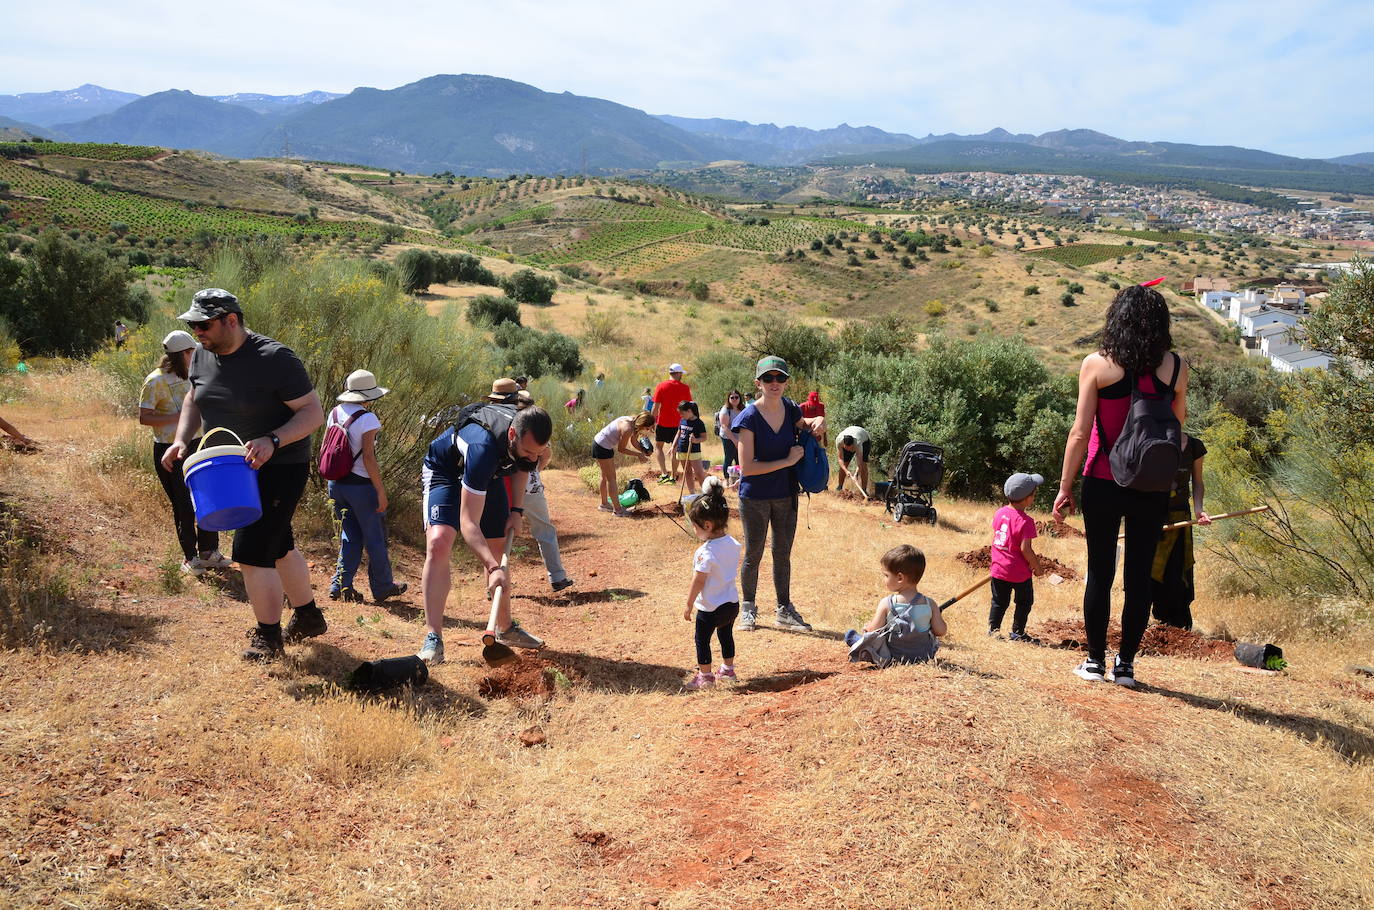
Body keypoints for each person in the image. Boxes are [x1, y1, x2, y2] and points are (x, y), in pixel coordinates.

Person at [161, 288, 326, 661]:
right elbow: (193, 398)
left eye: (203, 325)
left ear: (231, 320)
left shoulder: (275, 358)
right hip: (230, 469)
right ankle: (308, 616)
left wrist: (273, 439)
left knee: (251, 552)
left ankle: (268, 638)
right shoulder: (202, 355)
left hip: (279, 465)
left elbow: (312, 413)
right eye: (193, 325)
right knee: (278, 545)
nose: (197, 332)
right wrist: (181, 440)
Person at [1052, 283, 1187, 688]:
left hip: (1103, 480)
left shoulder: (1097, 364)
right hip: (1151, 485)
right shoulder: (1176, 367)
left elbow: (1080, 433)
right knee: (1139, 576)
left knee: (1100, 572)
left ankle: (1094, 662)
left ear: (1117, 319)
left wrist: (1064, 486)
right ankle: (1125, 666)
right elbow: (1178, 431)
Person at [417, 396, 553, 665]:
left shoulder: (527, 436)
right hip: (446, 471)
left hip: (490, 475)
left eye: (539, 453)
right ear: (512, 435)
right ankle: (433, 639)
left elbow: (523, 466)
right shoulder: (482, 449)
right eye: (529, 451)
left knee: (498, 544)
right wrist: (492, 568)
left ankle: (505, 628)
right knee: (439, 542)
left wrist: (516, 510)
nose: (534, 458)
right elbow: (468, 522)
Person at [732, 355, 825, 632]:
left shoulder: (791, 408)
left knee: (782, 554)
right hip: (755, 497)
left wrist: (818, 419)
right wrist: (787, 461)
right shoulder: (748, 418)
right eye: (768, 378)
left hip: (786, 493)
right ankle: (747, 609)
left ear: (786, 382)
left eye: (780, 378)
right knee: (754, 554)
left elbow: (808, 424)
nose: (774, 383)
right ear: (757, 383)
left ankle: (784, 609)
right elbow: (747, 468)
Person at [139, 330, 228, 576]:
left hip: (200, 444)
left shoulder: (195, 375)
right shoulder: (155, 381)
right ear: (181, 354)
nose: (195, 355)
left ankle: (209, 552)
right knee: (183, 504)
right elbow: (144, 417)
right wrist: (179, 417)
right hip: (171, 450)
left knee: (207, 498)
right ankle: (190, 557)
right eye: (191, 352)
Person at [325, 370, 407, 604]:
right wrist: (380, 490)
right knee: (375, 538)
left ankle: (340, 585)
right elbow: (368, 457)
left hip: (336, 484)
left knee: (350, 536)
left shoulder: (334, 412)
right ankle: (382, 587)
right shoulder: (367, 418)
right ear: (368, 395)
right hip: (361, 486)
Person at [682, 477, 742, 689]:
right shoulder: (734, 543)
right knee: (726, 636)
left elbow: (698, 580)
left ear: (707, 525)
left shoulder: (705, 552)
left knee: (702, 640)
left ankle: (705, 677)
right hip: (731, 603)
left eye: (696, 527)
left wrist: (689, 603)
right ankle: (728, 670)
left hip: (710, 608)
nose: (695, 531)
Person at [845, 544, 946, 666]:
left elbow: (874, 629)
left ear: (900, 578)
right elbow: (941, 631)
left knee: (871, 640)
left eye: (886, 575)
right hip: (923, 657)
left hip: (893, 657)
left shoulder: (887, 603)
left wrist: (868, 628)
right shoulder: (930, 604)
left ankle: (858, 641)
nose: (884, 579)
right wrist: (933, 618)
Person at [514, 391, 574, 592]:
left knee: (499, 537)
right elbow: (546, 455)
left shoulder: (510, 427)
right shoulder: (537, 428)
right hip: (532, 490)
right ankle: (557, 577)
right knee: (545, 532)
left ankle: (494, 585)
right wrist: (535, 471)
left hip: (507, 489)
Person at [1150, 433, 1211, 629]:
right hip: (1152, 520)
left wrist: (1199, 509)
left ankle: (1178, 625)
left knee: (1177, 571)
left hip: (1181, 519)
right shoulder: (1151, 441)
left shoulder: (1194, 446)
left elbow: (1198, 481)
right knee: (1150, 572)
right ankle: (1151, 624)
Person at [989, 472, 1043, 641]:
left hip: (998, 569)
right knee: (1024, 602)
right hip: (1019, 573)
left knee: (999, 602)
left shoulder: (999, 513)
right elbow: (1025, 549)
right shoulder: (1026, 521)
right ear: (1028, 498)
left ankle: (993, 630)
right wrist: (1037, 567)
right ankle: (1017, 632)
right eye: (1034, 494)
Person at [592, 412, 654, 515]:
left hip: (601, 444)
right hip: (602, 447)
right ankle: (618, 510)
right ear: (643, 424)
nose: (647, 431)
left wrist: (644, 451)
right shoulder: (628, 428)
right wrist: (638, 455)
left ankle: (604, 504)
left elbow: (634, 442)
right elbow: (621, 449)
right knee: (611, 479)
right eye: (647, 428)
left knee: (605, 476)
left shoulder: (632, 422)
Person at [651, 363, 692, 483]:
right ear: (678, 374)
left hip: (663, 422)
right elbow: (689, 407)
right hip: (679, 424)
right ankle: (673, 476)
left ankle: (664, 473)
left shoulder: (661, 386)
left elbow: (655, 406)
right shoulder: (685, 388)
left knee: (659, 447)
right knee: (675, 449)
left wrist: (652, 421)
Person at [675, 400, 707, 496]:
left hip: (694, 451)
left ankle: (706, 493)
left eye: (682, 413)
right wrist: (673, 446)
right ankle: (692, 493)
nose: (681, 415)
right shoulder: (682, 420)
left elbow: (704, 437)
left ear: (689, 411)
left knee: (699, 473)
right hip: (682, 450)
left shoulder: (699, 423)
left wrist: (695, 440)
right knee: (687, 472)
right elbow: (678, 433)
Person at [835, 426, 871, 497]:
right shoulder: (839, 441)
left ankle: (864, 490)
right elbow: (840, 459)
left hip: (865, 439)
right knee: (845, 463)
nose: (850, 450)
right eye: (847, 449)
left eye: (851, 448)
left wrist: (856, 474)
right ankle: (839, 487)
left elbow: (860, 462)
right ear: (844, 445)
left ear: (853, 445)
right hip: (852, 434)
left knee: (863, 465)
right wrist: (846, 471)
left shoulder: (858, 443)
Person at [717, 390, 744, 481]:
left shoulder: (742, 408)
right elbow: (724, 426)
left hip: (739, 437)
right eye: (732, 397)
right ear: (728, 399)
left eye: (737, 397)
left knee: (739, 457)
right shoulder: (725, 410)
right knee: (729, 457)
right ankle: (727, 479)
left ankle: (738, 478)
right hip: (727, 437)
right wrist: (734, 441)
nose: (734, 399)